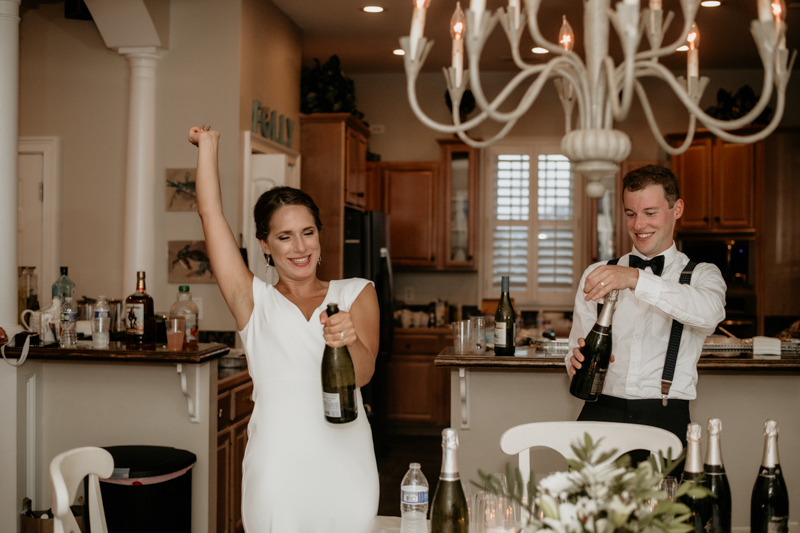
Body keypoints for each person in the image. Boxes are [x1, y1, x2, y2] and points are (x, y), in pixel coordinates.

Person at [188, 125, 380, 532]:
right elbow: (210, 215)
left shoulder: (357, 293)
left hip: (348, 461)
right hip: (276, 466)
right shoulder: (252, 301)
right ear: (265, 245)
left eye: (308, 233)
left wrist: (347, 338)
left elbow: (362, 375)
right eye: (285, 237)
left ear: (319, 237)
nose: (300, 247)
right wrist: (208, 147)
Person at [566, 165, 726, 451]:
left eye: (650, 213)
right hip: (599, 415)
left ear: (676, 209)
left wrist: (636, 278)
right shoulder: (598, 273)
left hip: (665, 417)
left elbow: (710, 314)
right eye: (630, 214)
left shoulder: (702, 275)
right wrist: (574, 361)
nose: (638, 225)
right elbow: (574, 349)